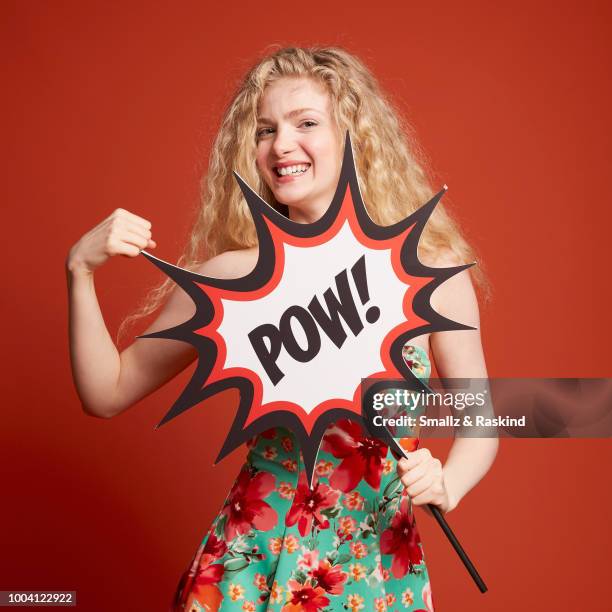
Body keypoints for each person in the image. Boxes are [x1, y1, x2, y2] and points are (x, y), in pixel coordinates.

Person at [66, 46, 498, 612]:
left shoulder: (430, 273)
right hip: (246, 568)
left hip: (374, 573)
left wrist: (449, 482)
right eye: (265, 129)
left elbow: (481, 422)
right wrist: (79, 271)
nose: (281, 145)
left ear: (355, 135)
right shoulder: (232, 278)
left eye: (306, 123)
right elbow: (107, 391)